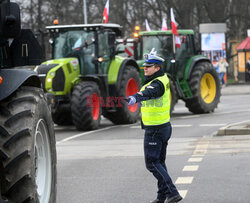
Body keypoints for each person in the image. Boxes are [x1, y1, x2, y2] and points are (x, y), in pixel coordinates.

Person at [127, 48, 182, 203]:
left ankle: (172, 192)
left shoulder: (157, 83)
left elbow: (150, 92)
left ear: (157, 68)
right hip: (161, 127)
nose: (145, 68)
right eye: (145, 66)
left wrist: (135, 97)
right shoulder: (160, 79)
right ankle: (161, 196)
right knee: (159, 163)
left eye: (149, 66)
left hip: (155, 129)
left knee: (152, 163)